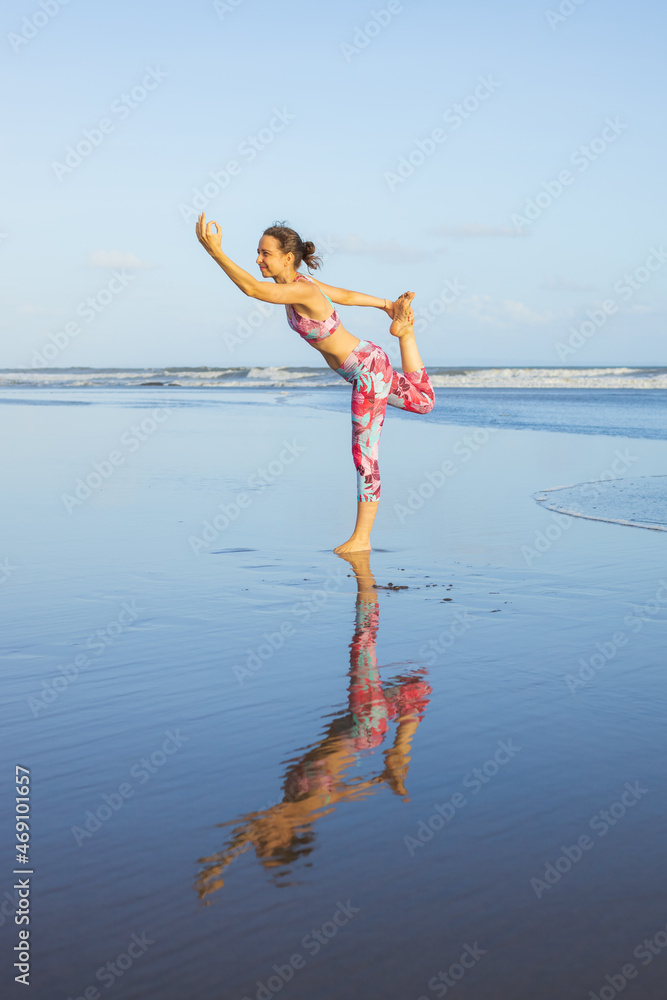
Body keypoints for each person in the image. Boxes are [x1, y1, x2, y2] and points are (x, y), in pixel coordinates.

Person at [194, 550, 432, 899]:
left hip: (366, 732)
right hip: (363, 723)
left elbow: (342, 793)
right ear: (284, 840)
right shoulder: (296, 812)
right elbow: (248, 828)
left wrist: (380, 781)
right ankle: (364, 578)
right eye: (268, 852)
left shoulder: (298, 809)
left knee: (405, 685)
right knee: (362, 644)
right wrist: (220, 862)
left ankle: (401, 744)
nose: (260, 848)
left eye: (261, 855)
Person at [196, 216, 435, 552]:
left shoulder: (302, 288)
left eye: (265, 253)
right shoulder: (303, 285)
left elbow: (252, 288)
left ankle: (361, 540)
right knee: (424, 402)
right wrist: (387, 305)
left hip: (366, 371)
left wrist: (215, 252)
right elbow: (346, 296)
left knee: (364, 456)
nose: (258, 259)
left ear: (287, 257)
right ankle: (407, 334)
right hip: (369, 365)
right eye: (258, 253)